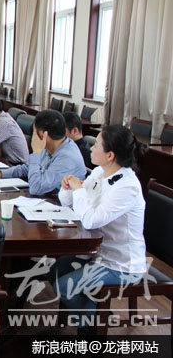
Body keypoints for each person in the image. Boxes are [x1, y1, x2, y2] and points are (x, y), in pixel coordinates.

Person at [49, 125, 147, 335]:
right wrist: (68, 189)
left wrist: (78, 190)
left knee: (65, 286)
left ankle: (92, 326)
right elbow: (72, 205)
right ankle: (97, 313)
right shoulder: (100, 172)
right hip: (97, 253)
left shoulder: (127, 187)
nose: (91, 148)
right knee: (55, 270)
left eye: (96, 145)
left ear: (110, 155)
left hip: (121, 264)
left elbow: (91, 220)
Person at [0, 110, 86, 195]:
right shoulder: (52, 145)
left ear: (42, 135)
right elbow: (28, 168)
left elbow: (36, 188)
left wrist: (36, 152)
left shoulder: (67, 157)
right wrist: (1, 173)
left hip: (59, 206)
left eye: (34, 132)